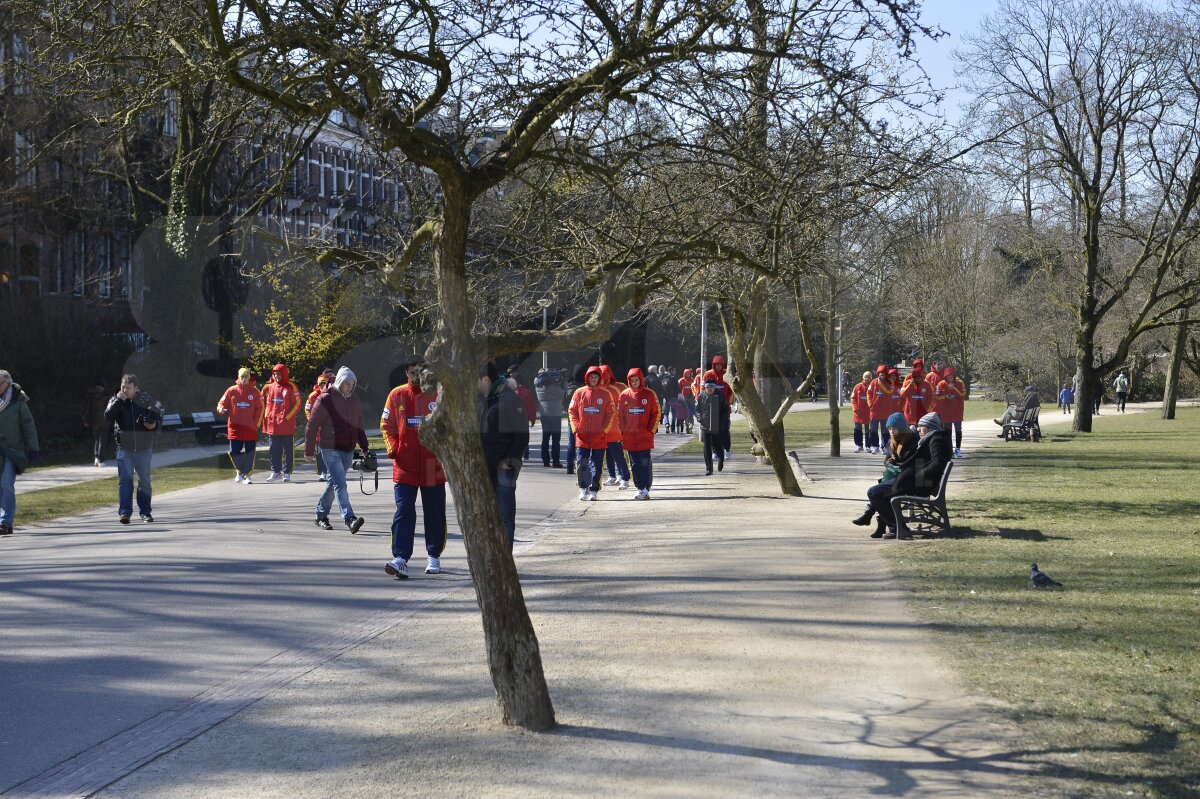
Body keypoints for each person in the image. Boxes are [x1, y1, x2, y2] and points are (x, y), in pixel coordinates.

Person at [382, 360, 446, 577]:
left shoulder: (438, 394)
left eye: (419, 373)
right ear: (406, 372)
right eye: (412, 373)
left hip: (433, 466)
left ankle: (433, 556)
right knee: (404, 512)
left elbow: (449, 425)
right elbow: (387, 425)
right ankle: (400, 558)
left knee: (435, 513)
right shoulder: (396, 395)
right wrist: (394, 449)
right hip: (404, 467)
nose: (415, 377)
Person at [865, 412, 951, 540]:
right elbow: (923, 462)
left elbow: (937, 464)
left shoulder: (937, 440)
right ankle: (894, 527)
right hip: (917, 481)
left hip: (921, 484)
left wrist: (915, 476)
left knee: (875, 492)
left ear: (930, 427)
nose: (918, 429)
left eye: (921, 426)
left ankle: (898, 528)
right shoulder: (932, 439)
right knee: (878, 490)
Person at [304, 366, 369, 533]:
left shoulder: (353, 400)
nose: (350, 387)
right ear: (339, 382)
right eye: (347, 383)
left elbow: (359, 424)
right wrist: (309, 450)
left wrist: (364, 446)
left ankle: (320, 514)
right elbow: (311, 426)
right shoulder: (324, 399)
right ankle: (350, 519)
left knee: (334, 482)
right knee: (340, 483)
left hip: (347, 449)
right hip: (329, 448)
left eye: (353, 384)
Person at [479, 362, 530, 548]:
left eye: (477, 381)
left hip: (505, 467)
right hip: (486, 467)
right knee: (489, 516)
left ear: (486, 379)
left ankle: (505, 559)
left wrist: (510, 459)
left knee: (505, 515)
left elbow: (522, 434)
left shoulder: (509, 399)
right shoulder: (486, 398)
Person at [104, 374, 159, 523]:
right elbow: (108, 417)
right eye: (123, 387)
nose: (124, 390)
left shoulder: (145, 400)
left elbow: (158, 415)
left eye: (128, 388)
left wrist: (154, 425)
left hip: (144, 448)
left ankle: (145, 512)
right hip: (124, 449)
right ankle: (125, 513)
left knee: (144, 482)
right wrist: (118, 401)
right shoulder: (116, 400)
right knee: (125, 480)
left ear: (136, 388)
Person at [852, 412, 914, 532]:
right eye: (889, 429)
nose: (891, 431)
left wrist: (895, 464)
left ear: (901, 428)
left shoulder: (910, 440)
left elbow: (910, 461)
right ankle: (878, 522)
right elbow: (886, 460)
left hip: (906, 479)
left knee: (879, 491)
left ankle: (874, 517)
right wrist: (889, 463)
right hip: (897, 476)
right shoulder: (893, 440)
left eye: (894, 429)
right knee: (881, 489)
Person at [0, 370, 40, 536]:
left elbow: (28, 426)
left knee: (6, 484)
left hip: (12, 451)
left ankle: (5, 522)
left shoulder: (18, 402)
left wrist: (33, 448)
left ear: (7, 384)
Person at [569, 365, 615, 501]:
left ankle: (594, 490)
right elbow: (572, 411)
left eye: (595, 377)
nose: (593, 379)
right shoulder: (579, 392)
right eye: (591, 376)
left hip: (599, 437)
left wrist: (604, 430)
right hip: (582, 436)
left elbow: (611, 414)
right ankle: (583, 489)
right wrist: (576, 427)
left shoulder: (606, 394)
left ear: (599, 378)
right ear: (587, 378)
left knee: (597, 464)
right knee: (582, 463)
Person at [217, 368, 264, 484]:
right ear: (238, 377)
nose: (244, 379)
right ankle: (239, 471)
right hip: (235, 428)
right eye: (242, 377)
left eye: (246, 377)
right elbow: (221, 403)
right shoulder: (231, 391)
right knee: (234, 452)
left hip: (250, 429)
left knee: (250, 453)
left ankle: (247, 476)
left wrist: (255, 424)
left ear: (249, 377)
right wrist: (220, 409)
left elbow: (260, 409)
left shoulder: (255, 392)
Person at [619, 368, 660, 499]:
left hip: (645, 437)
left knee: (645, 463)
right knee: (634, 464)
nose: (634, 382)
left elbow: (656, 413)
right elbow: (620, 417)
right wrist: (623, 432)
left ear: (641, 380)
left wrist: (650, 430)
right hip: (630, 437)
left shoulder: (649, 394)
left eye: (636, 380)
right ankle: (640, 487)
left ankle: (646, 487)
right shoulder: (624, 395)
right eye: (632, 380)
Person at [261, 363, 302, 482]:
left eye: (279, 373)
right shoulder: (268, 387)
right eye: (275, 373)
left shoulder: (291, 387)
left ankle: (287, 472)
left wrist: (287, 417)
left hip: (286, 426)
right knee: (274, 449)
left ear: (284, 374)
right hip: (272, 425)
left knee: (288, 450)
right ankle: (275, 471)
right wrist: (266, 415)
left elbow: (298, 404)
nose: (276, 376)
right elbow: (261, 402)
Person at [598, 365, 631, 488]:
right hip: (603, 429)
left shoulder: (619, 387)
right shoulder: (598, 390)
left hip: (615, 428)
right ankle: (612, 475)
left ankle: (624, 477)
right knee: (608, 454)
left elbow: (624, 407)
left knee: (618, 454)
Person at [305, 369, 335, 481]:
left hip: (330, 430)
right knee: (320, 451)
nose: (323, 386)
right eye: (321, 384)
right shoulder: (313, 396)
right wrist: (312, 421)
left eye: (325, 384)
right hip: (317, 429)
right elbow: (307, 409)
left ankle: (331, 471)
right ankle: (322, 472)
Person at [696, 379, 730, 475]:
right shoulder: (701, 396)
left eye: (711, 388)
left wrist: (722, 422)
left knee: (717, 444)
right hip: (705, 424)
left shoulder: (721, 396)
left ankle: (721, 458)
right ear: (705, 388)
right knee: (706, 446)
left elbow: (725, 410)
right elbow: (698, 409)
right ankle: (709, 468)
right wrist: (700, 418)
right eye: (708, 388)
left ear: (715, 387)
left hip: (717, 424)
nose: (709, 390)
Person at [534, 367, 566, 468]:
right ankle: (556, 461)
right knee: (556, 440)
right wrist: (563, 382)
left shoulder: (537, 385)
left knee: (545, 438)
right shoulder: (552, 386)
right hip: (555, 414)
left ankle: (546, 461)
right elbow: (562, 394)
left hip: (544, 414)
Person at [705, 355, 735, 459]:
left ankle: (727, 449)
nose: (718, 367)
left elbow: (732, 392)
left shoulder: (727, 375)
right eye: (716, 365)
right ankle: (716, 451)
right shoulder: (708, 374)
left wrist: (729, 403)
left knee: (724, 430)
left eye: (720, 365)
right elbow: (704, 391)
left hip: (724, 409)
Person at [935, 367, 966, 458]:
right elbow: (936, 397)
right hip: (946, 412)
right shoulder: (940, 384)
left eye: (951, 377)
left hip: (957, 411)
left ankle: (958, 449)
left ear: (954, 376)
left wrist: (955, 389)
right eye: (948, 377)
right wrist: (945, 397)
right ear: (945, 377)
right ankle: (949, 450)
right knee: (947, 431)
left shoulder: (960, 383)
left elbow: (963, 395)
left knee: (958, 430)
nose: (950, 379)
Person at [507, 366, 537, 459]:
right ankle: (526, 452)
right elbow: (530, 407)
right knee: (523, 435)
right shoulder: (525, 392)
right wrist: (532, 419)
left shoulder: (508, 392)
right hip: (523, 419)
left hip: (511, 419)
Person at [865, 365, 891, 455]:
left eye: (883, 374)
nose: (882, 376)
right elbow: (868, 393)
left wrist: (881, 384)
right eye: (880, 374)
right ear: (878, 374)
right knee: (873, 430)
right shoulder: (873, 382)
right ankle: (875, 446)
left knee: (885, 430)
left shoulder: (889, 382)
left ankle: (884, 447)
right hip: (874, 411)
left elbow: (889, 392)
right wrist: (870, 404)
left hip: (885, 411)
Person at [899, 358, 934, 425]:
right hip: (909, 414)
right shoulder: (907, 381)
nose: (917, 379)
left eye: (920, 366)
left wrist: (927, 410)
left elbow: (931, 398)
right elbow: (902, 395)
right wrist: (910, 385)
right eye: (916, 366)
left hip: (922, 413)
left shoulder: (926, 383)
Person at [83, 383, 109, 466]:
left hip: (94, 420)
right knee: (103, 440)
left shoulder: (90, 397)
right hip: (104, 420)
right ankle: (101, 460)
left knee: (97, 439)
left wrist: (86, 420)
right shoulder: (106, 397)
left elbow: (87, 410)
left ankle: (96, 458)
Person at [850, 371, 872, 453]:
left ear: (871, 378)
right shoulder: (857, 387)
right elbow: (853, 398)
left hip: (869, 413)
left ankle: (868, 446)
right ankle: (859, 445)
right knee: (857, 430)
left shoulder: (873, 387)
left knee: (868, 430)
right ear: (863, 378)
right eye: (865, 377)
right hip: (858, 413)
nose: (867, 378)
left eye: (869, 377)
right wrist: (855, 408)